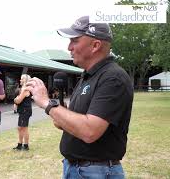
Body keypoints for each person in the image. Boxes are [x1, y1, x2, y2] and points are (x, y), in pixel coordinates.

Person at [26, 16, 133, 179]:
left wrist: (46, 102)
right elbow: (74, 121)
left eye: (75, 40)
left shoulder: (112, 78)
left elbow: (90, 131)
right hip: (77, 169)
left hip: (95, 172)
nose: (69, 47)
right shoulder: (88, 76)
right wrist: (59, 113)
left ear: (95, 45)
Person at [13, 74, 33, 151]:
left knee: (24, 128)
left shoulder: (25, 89)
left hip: (25, 111)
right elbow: (18, 100)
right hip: (24, 110)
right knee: (20, 128)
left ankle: (26, 145)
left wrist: (16, 99)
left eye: (21, 79)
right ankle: (20, 144)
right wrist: (17, 99)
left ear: (25, 80)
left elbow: (18, 100)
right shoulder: (24, 89)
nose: (20, 80)